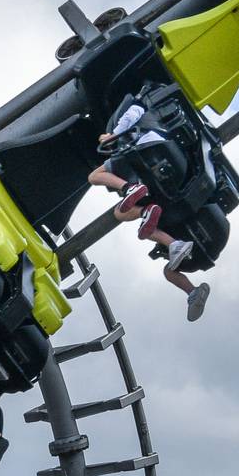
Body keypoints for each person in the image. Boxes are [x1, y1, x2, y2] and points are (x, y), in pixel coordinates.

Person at [87, 101, 211, 320]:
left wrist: (112, 135)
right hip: (155, 175)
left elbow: (134, 112)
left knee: (95, 177)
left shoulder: (138, 110)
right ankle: (190, 284)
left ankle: (130, 189)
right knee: (168, 270)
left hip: (144, 150)